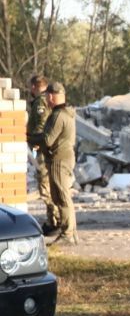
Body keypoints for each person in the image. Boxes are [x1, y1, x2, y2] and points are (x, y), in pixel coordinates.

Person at [35, 81, 77, 245]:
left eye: (46, 95)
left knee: (62, 196)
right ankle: (70, 232)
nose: (45, 98)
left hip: (59, 159)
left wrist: (31, 138)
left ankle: (67, 234)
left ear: (51, 96)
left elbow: (47, 140)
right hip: (62, 158)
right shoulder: (65, 113)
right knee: (60, 196)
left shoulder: (58, 116)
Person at [25, 75, 53, 234]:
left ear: (35, 86)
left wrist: (34, 140)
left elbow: (41, 125)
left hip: (42, 149)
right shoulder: (44, 100)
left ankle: (54, 221)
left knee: (45, 186)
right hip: (43, 148)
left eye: (30, 87)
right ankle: (53, 220)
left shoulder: (40, 102)